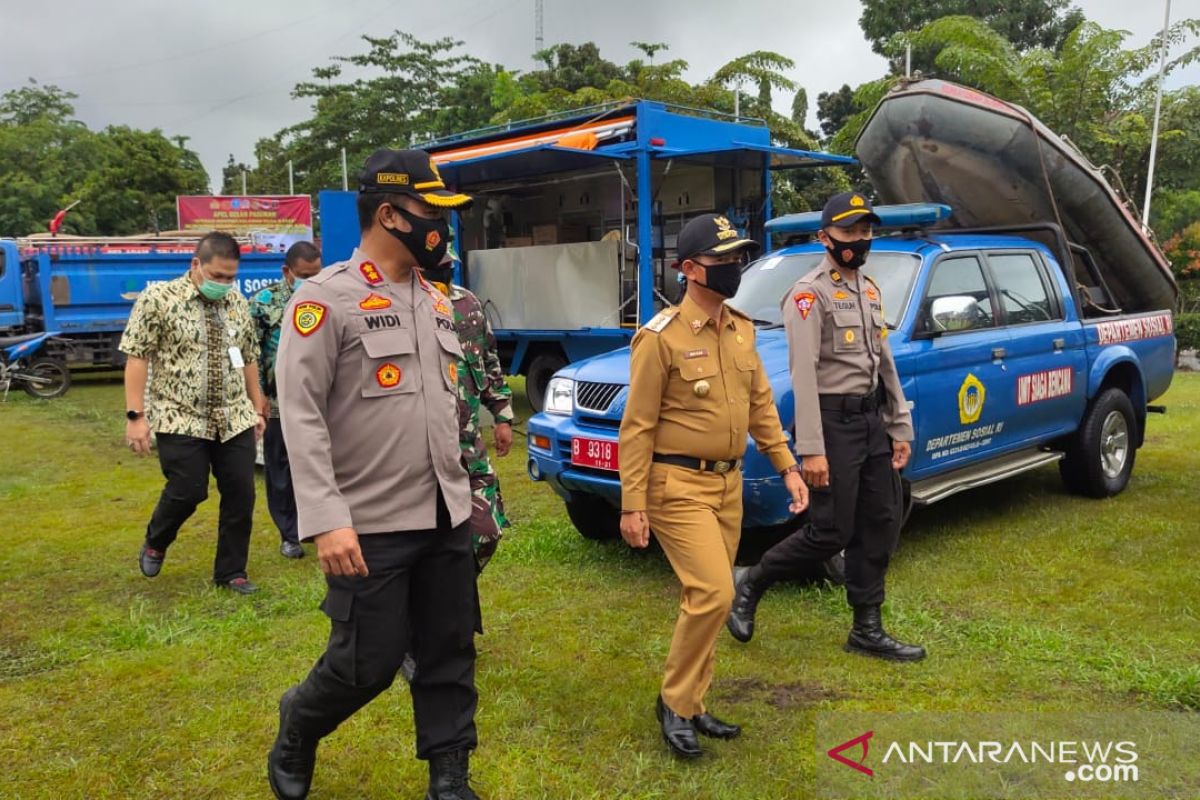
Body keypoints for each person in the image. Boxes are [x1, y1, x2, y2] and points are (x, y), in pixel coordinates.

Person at [267, 149, 482, 800]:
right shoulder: (324, 300)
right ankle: (299, 723)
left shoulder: (437, 302)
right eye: (430, 212)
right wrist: (326, 520)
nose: (442, 226)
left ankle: (450, 778)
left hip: (443, 513)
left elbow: (445, 407)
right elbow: (298, 416)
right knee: (368, 663)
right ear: (388, 214)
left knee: (448, 652)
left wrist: (471, 493)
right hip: (369, 522)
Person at [618, 213, 809, 759]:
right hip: (675, 484)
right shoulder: (659, 339)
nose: (734, 268)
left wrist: (787, 466)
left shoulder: (741, 327)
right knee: (715, 592)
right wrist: (633, 505)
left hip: (728, 485)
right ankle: (675, 703)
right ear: (689, 270)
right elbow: (637, 428)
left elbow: (760, 408)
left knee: (701, 596)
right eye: (723, 260)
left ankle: (695, 701)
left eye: (737, 258)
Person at [726, 192, 926, 662]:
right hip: (832, 425)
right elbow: (804, 375)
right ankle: (752, 580)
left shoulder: (871, 291)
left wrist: (900, 426)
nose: (860, 240)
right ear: (825, 238)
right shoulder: (807, 294)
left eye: (866, 231)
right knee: (830, 531)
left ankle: (867, 628)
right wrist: (811, 449)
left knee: (880, 520)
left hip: (871, 422)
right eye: (850, 232)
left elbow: (885, 364)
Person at [121, 231, 267, 595]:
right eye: (217, 276)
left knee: (241, 494)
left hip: (233, 416)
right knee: (188, 488)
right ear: (195, 265)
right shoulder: (159, 299)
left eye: (231, 277)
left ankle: (231, 571)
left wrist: (256, 403)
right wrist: (135, 416)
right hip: (179, 414)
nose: (224, 284)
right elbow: (137, 355)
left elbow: (248, 355)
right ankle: (157, 538)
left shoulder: (237, 303)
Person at [421, 246, 514, 573]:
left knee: (486, 532)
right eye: (437, 267)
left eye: (448, 266)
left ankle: (455, 590)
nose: (444, 273)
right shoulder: (404, 305)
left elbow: (487, 360)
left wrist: (502, 414)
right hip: (422, 452)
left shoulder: (467, 304)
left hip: (468, 445)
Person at [250, 240, 323, 559]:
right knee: (280, 470)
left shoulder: (326, 296)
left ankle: (321, 525)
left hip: (320, 400)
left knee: (320, 466)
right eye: (304, 274)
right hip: (278, 403)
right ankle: (289, 534)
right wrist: (258, 396)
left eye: (316, 273)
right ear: (287, 272)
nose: (311, 279)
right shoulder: (263, 303)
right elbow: (246, 350)